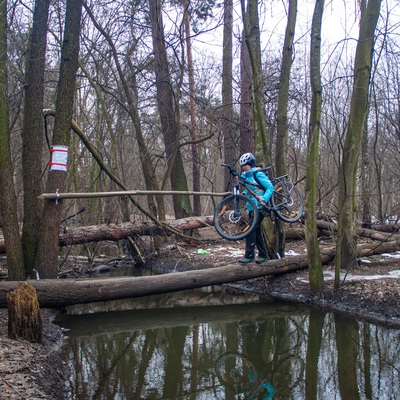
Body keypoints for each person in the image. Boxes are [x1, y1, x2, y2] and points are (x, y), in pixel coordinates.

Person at [238, 152, 274, 265]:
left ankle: (249, 255)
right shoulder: (247, 176)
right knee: (256, 230)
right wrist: (243, 194)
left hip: (259, 207)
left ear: (251, 164)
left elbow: (270, 187)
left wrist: (264, 199)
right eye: (242, 166)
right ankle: (263, 255)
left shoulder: (258, 174)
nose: (243, 168)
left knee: (250, 229)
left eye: (245, 165)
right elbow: (250, 189)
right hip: (251, 207)